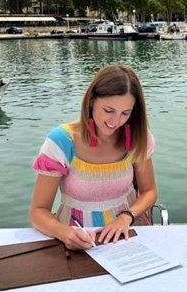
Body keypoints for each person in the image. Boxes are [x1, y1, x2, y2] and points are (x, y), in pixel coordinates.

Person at [30, 64, 157, 250]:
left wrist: (126, 217)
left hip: (129, 232)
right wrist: (65, 233)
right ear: (91, 101)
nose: (116, 122)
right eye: (108, 110)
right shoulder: (62, 141)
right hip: (76, 238)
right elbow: (38, 211)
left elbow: (149, 191)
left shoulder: (138, 136)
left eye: (125, 113)